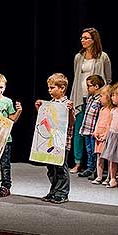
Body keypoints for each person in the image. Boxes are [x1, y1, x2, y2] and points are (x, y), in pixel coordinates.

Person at [69, 27, 112, 174]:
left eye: (86, 38)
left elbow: (108, 78)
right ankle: (77, 162)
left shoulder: (103, 57)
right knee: (79, 129)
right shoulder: (78, 57)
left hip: (97, 99)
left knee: (95, 131)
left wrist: (104, 97)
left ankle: (94, 165)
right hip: (80, 97)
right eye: (82, 38)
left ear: (94, 40)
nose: (83, 40)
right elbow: (76, 77)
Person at [35, 73, 75, 204]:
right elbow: (46, 120)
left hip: (62, 143)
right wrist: (39, 109)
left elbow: (72, 122)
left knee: (60, 168)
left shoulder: (67, 104)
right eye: (49, 88)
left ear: (62, 88)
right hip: (50, 142)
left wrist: (70, 111)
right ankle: (54, 190)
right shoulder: (50, 103)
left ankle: (62, 193)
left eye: (52, 88)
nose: (49, 90)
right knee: (51, 168)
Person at [100, 82, 118, 189]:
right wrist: (106, 135)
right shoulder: (113, 110)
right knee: (111, 159)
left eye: (113, 95)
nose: (111, 97)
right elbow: (110, 124)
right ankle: (112, 179)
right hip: (112, 136)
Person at [77, 75, 105, 178]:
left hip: (94, 130)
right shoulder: (90, 98)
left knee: (94, 150)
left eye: (89, 86)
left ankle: (96, 170)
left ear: (96, 86)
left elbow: (101, 116)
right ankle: (90, 167)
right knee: (88, 150)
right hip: (87, 129)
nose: (87, 88)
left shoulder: (100, 100)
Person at [91, 85, 113, 185]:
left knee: (108, 158)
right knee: (99, 157)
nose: (99, 98)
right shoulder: (102, 109)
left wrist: (105, 135)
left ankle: (108, 177)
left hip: (106, 136)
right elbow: (98, 121)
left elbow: (110, 125)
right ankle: (99, 176)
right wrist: (95, 132)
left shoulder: (111, 111)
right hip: (98, 135)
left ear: (108, 97)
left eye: (101, 96)